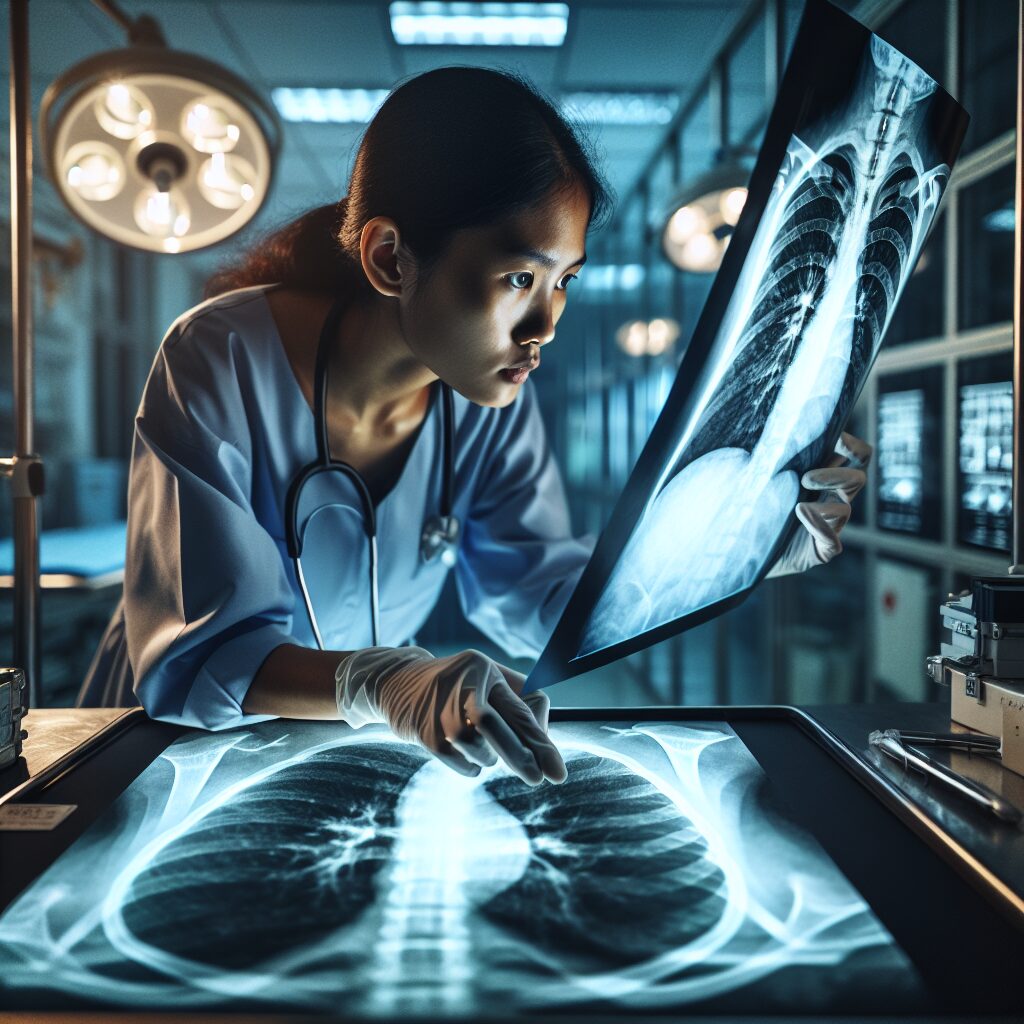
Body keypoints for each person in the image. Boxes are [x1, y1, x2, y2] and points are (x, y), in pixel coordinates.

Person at [78, 67, 869, 787]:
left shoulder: (486, 402)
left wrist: (738, 546)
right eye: (520, 277)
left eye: (564, 281)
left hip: (328, 750)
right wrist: (382, 681)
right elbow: (200, 658)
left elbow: (534, 589)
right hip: (154, 751)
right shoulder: (216, 358)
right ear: (391, 259)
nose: (545, 325)